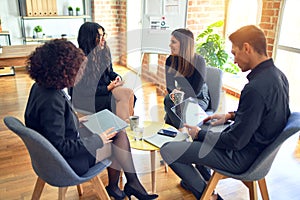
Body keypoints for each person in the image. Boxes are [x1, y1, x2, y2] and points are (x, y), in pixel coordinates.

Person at [160, 25, 290, 200]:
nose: (234, 60)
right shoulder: (278, 76)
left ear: (247, 48)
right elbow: (265, 113)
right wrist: (231, 116)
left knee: (169, 150)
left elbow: (234, 141)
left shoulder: (255, 88)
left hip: (241, 157)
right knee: (198, 134)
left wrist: (199, 134)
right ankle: (198, 180)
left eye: (235, 53)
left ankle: (209, 196)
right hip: (258, 153)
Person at [24, 39, 158, 200]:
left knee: (117, 133)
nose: (80, 73)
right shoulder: (52, 101)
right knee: (119, 142)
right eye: (78, 69)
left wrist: (75, 121)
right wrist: (98, 139)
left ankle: (123, 186)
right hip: (68, 163)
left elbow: (50, 127)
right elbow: (62, 147)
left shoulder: (40, 88)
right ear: (63, 70)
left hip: (52, 155)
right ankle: (125, 185)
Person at [71, 22, 135, 121]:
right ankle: (122, 130)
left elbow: (110, 72)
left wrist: (117, 78)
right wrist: (108, 88)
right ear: (89, 39)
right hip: (85, 98)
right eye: (99, 37)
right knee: (119, 99)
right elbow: (82, 90)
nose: (103, 40)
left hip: (103, 91)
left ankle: (125, 127)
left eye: (103, 35)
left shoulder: (104, 51)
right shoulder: (79, 59)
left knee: (129, 94)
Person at [164, 28, 210, 129]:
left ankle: (182, 131)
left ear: (184, 44)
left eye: (173, 42)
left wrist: (179, 96)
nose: (170, 45)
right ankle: (182, 131)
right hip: (181, 95)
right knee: (170, 103)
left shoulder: (199, 61)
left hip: (199, 97)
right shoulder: (170, 60)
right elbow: (169, 85)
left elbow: (196, 91)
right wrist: (174, 93)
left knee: (170, 115)